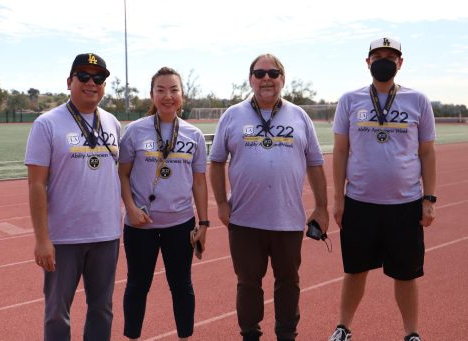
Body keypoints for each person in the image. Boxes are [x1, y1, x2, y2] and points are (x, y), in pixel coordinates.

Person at [209, 53, 329, 341]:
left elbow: (314, 163)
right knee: (248, 283)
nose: (266, 79)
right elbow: (215, 162)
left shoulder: (299, 116)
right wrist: (223, 204)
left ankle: (286, 334)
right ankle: (250, 334)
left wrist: (322, 207)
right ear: (250, 79)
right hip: (245, 220)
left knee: (288, 282)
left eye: (273, 73)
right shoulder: (232, 115)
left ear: (282, 79)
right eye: (259, 73)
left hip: (287, 219)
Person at [328, 37, 436, 341]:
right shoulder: (350, 100)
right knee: (355, 271)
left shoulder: (418, 100)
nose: (384, 60)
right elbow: (339, 151)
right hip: (360, 202)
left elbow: (427, 152)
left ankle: (411, 333)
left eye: (391, 56)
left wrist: (429, 198)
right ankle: (343, 328)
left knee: (406, 274)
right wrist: (339, 199)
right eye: (378, 56)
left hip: (405, 204)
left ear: (400, 63)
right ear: (368, 62)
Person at [25, 53, 121, 340]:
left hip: (106, 236)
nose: (91, 83)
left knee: (102, 309)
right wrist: (42, 239)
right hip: (64, 239)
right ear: (69, 82)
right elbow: (36, 185)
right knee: (57, 312)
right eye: (83, 76)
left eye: (98, 78)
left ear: (104, 85)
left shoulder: (113, 123)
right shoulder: (47, 124)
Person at [118, 66, 209, 341]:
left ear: (183, 95)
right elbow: (121, 173)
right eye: (161, 90)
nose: (167, 96)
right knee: (137, 285)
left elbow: (199, 182)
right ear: (151, 95)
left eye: (173, 90)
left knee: (181, 286)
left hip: (180, 225)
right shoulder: (134, 131)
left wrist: (203, 222)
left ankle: (185, 336)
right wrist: (131, 209)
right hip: (140, 226)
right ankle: (132, 336)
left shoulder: (194, 135)